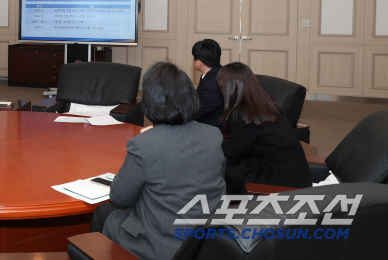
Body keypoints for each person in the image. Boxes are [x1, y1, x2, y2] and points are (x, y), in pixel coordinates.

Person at [90, 62, 226, 260]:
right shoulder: (213, 135)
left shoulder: (144, 144)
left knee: (105, 213)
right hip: (204, 243)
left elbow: (121, 198)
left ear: (151, 101)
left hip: (159, 246)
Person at [219, 62, 312, 194]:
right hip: (296, 172)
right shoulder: (264, 104)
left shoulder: (242, 115)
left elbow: (232, 153)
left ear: (229, 86)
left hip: (278, 178)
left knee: (216, 169)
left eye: (221, 82)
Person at [192, 39, 225, 130]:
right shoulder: (218, 72)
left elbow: (193, 114)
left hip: (212, 129)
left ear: (199, 63)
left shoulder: (212, 86)